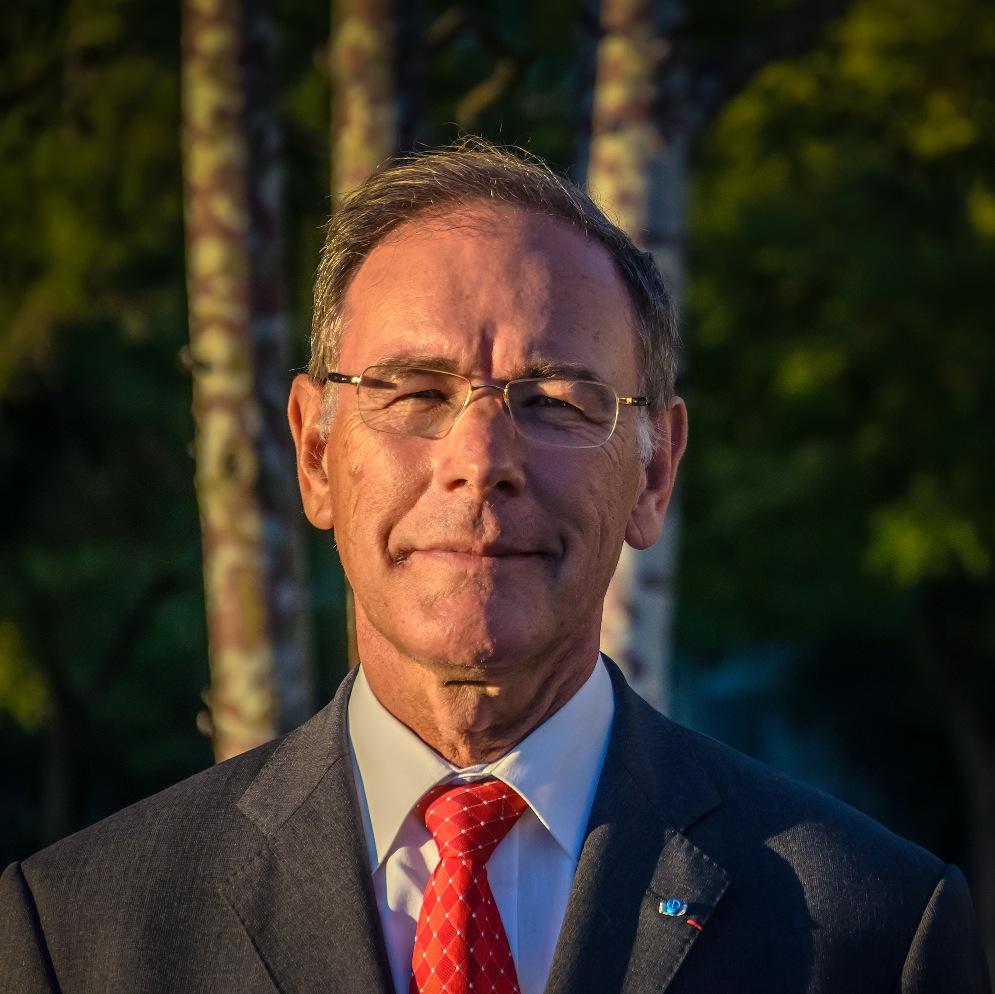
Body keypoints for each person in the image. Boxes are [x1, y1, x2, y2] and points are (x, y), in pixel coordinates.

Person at [0, 140, 989, 994]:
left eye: (556, 400)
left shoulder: (873, 929)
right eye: (414, 391)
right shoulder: (80, 934)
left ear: (654, 472)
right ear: (314, 455)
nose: (480, 458)